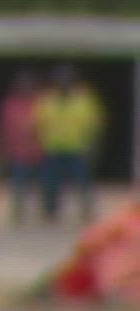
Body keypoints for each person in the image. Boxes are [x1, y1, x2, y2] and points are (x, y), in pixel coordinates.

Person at [34, 65, 103, 224]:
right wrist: (39, 142)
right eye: (60, 79)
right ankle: (50, 211)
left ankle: (87, 209)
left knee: (83, 181)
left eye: (67, 79)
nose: (63, 82)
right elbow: (38, 123)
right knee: (50, 182)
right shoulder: (47, 100)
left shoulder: (84, 100)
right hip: (52, 148)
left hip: (77, 148)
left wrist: (93, 143)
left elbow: (94, 123)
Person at [0, 68, 46, 225]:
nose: (25, 87)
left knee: (43, 184)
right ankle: (19, 211)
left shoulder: (41, 102)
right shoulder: (9, 103)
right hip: (18, 152)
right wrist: (0, 146)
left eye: (28, 84)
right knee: (19, 182)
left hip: (39, 151)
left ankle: (45, 211)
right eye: (22, 84)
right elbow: (2, 127)